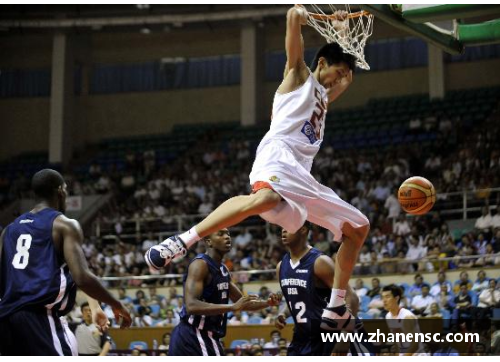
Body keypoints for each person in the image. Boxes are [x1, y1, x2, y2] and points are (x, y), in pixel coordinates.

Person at [146, 4, 370, 329]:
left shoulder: (323, 95)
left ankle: (335, 307)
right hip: (278, 155)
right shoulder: (298, 75)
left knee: (358, 228)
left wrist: (342, 33)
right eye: (339, 71)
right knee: (264, 199)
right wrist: (303, 16)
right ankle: (181, 242)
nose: (342, 77)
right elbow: (293, 17)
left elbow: (343, 80)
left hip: (301, 178)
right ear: (321, 63)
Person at [0, 169, 131, 356]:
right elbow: (82, 277)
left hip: (6, 320)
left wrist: (95, 307)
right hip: (40, 321)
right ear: (61, 191)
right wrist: (116, 304)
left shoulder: (9, 230)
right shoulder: (64, 225)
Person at [168, 228, 281, 356]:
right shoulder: (200, 265)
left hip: (204, 336)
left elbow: (242, 303)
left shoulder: (223, 269)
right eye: (220, 234)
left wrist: (267, 303)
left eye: (228, 234)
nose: (227, 237)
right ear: (209, 241)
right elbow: (191, 306)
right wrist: (232, 307)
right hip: (194, 334)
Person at [274, 222, 373, 355]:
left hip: (331, 335)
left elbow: (351, 297)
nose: (283, 230)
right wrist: (283, 314)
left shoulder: (320, 262)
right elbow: (295, 299)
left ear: (303, 230)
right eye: (282, 227)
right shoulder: (281, 266)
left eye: (289, 226)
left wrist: (344, 337)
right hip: (302, 337)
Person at [382, 284, 426, 355]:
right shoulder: (388, 316)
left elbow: (415, 344)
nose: (384, 300)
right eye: (383, 297)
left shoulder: (407, 316)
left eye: (387, 297)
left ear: (396, 298)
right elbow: (396, 340)